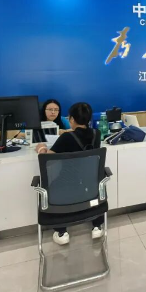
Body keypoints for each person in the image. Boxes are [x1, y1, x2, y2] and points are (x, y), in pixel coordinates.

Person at [35, 102, 102, 246]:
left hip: (67, 186)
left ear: (71, 119)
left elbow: (47, 160)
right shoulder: (97, 134)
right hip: (90, 185)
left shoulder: (66, 138)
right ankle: (97, 225)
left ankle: (61, 231)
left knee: (53, 186)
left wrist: (41, 149)